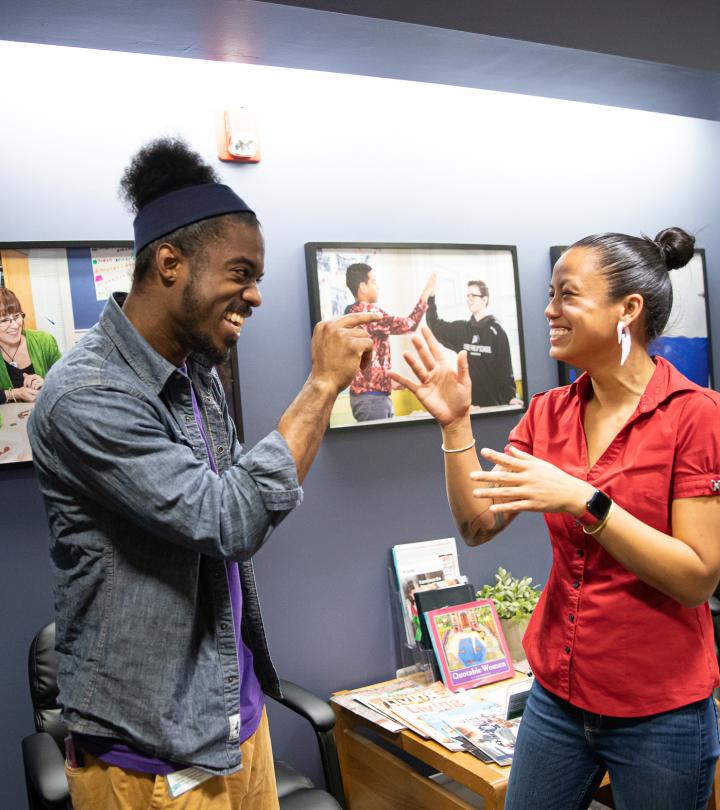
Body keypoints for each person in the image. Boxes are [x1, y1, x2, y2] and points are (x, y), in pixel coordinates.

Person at [27, 137, 376, 810]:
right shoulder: (87, 396)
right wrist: (322, 385)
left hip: (236, 722)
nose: (255, 294)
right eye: (241, 272)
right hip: (149, 757)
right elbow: (230, 520)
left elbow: (241, 497)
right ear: (168, 264)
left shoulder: (195, 374)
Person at [390, 227, 720, 810]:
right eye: (551, 295)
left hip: (659, 711)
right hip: (558, 698)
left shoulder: (695, 416)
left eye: (568, 295)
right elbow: (478, 527)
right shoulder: (550, 414)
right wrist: (455, 424)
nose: (549, 310)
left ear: (629, 310)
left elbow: (696, 578)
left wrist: (584, 501)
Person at [344, 262, 435, 421]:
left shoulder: (351, 312)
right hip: (372, 401)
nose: (377, 286)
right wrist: (426, 293)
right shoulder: (368, 312)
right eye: (373, 281)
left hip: (369, 398)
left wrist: (385, 381)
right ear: (363, 287)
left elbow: (365, 359)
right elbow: (410, 324)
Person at [426, 280, 521, 407]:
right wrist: (431, 297)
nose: (469, 299)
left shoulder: (497, 332)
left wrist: (511, 397)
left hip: (494, 405)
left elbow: (505, 369)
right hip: (470, 406)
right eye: (467, 296)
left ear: (484, 299)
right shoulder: (461, 329)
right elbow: (435, 325)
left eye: (473, 296)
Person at [0, 287, 61, 404]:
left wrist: (47, 384)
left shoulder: (44, 341)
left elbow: (68, 379)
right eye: (4, 320)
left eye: (17, 316)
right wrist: (14, 393)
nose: (14, 326)